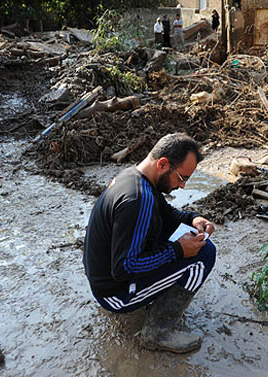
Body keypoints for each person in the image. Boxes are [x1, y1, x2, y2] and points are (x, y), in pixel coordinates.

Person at [83, 133, 217, 354]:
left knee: (176, 235)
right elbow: (124, 267)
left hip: (101, 278)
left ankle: (153, 298)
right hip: (114, 294)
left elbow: (166, 214)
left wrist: (193, 219)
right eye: (181, 178)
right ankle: (158, 333)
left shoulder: (135, 178)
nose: (182, 186)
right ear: (163, 164)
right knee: (204, 255)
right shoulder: (138, 200)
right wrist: (177, 250)